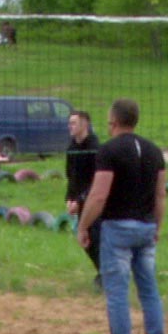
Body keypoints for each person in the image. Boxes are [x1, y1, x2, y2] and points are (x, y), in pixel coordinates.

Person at [75, 98, 166, 334]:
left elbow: (99, 194)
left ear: (113, 122)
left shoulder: (109, 151)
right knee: (149, 291)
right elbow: (160, 195)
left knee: (116, 292)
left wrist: (83, 226)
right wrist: (157, 228)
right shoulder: (154, 151)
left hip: (117, 228)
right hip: (146, 227)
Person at [64, 109, 103, 289]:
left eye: (74, 123)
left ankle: (105, 274)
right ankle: (103, 272)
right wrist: (69, 199)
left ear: (85, 125)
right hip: (80, 200)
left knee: (94, 236)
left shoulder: (95, 147)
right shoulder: (71, 148)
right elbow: (71, 177)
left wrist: (80, 201)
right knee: (84, 240)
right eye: (69, 123)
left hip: (95, 199)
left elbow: (96, 180)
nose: (70, 126)